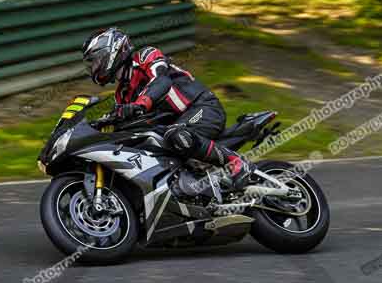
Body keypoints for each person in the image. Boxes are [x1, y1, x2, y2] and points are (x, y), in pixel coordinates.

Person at [81, 27, 255, 190]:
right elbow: (120, 119)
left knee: (175, 134)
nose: (94, 68)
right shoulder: (122, 93)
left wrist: (140, 104)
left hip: (202, 107)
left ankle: (236, 161)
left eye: (95, 61)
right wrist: (98, 125)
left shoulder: (145, 57)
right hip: (178, 123)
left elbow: (162, 81)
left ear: (111, 51)